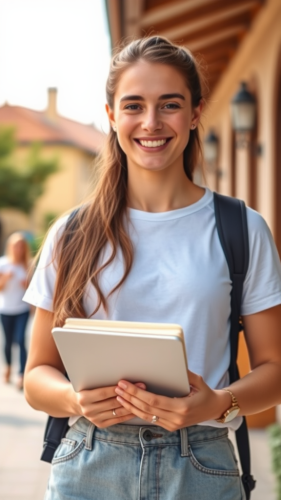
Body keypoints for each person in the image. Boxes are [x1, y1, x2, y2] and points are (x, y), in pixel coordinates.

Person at [23, 36, 281, 500]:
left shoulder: (242, 228)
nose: (151, 122)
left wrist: (220, 403)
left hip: (202, 462)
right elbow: (37, 373)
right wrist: (74, 400)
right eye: (134, 105)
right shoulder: (72, 232)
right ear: (111, 116)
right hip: (88, 462)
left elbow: (275, 369)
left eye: (170, 104)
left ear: (196, 113)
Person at [0, 232, 31, 389]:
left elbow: (34, 291)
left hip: (22, 309)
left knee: (20, 340)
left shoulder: (28, 265)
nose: (18, 249)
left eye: (21, 246)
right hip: (5, 309)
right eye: (15, 246)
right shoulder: (3, 264)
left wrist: (26, 284)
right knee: (8, 342)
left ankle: (21, 375)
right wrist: (5, 277)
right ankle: (8, 367)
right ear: (10, 247)